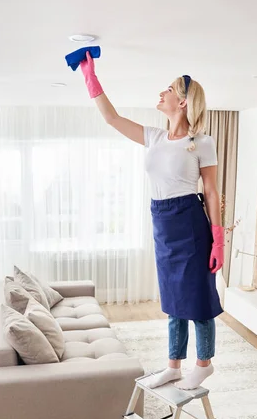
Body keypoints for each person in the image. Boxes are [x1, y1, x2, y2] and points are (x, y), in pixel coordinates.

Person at [78, 51, 224, 390]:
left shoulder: (201, 142)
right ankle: (174, 365)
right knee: (173, 298)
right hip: (162, 224)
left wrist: (218, 240)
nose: (161, 94)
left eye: (168, 90)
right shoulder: (156, 137)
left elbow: (212, 192)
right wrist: (90, 76)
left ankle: (203, 363)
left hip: (189, 223)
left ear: (184, 101)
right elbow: (112, 119)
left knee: (198, 296)